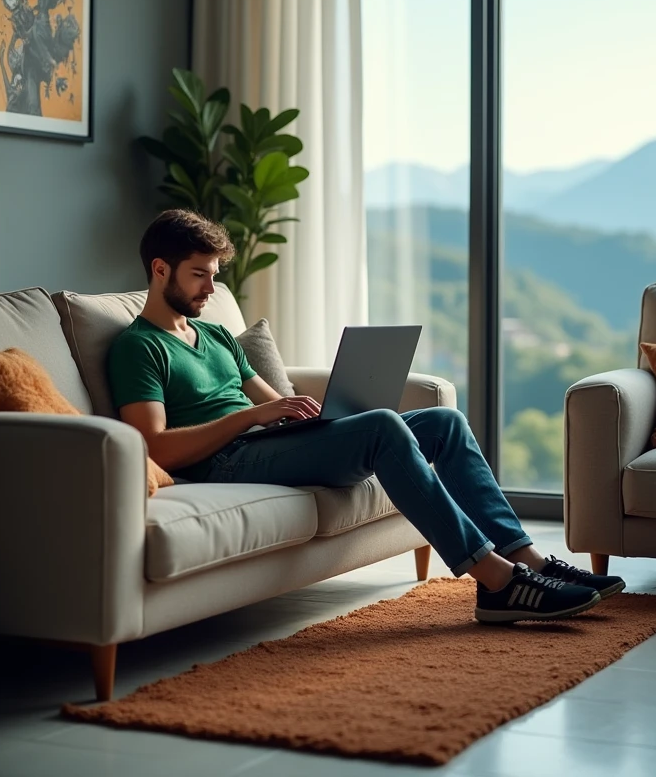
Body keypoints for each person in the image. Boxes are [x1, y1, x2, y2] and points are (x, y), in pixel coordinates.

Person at [108, 209, 626, 624]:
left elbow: (273, 403)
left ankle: (527, 559)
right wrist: (254, 417)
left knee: (443, 421)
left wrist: (312, 414)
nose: (210, 289)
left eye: (214, 276)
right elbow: (154, 446)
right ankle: (496, 582)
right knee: (382, 425)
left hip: (268, 444)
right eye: (199, 275)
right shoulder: (139, 348)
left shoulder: (217, 335)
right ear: (159, 269)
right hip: (226, 461)